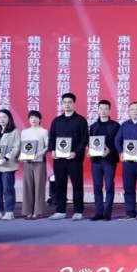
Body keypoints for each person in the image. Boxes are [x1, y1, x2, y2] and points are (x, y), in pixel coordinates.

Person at [48, 93, 89, 221]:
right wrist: (52, 150)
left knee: (77, 185)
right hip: (59, 159)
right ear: (62, 104)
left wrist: (76, 152)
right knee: (60, 184)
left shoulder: (81, 120)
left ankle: (78, 211)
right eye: (64, 102)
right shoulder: (57, 121)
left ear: (74, 104)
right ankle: (60, 210)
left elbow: (84, 139)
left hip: (74, 159)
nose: (67, 104)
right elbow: (51, 137)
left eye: (70, 102)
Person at [88, 100, 120, 221]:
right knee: (97, 187)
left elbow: (119, 143)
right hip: (96, 161)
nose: (103, 111)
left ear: (110, 110)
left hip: (109, 161)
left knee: (109, 186)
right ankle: (99, 212)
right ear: (98, 110)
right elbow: (91, 142)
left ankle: (107, 213)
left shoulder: (115, 126)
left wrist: (110, 150)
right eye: (101, 108)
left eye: (106, 109)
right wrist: (89, 150)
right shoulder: (93, 126)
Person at [19, 110, 48, 220]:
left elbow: (47, 146)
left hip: (39, 161)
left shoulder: (43, 131)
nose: (33, 119)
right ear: (28, 119)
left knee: (39, 186)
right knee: (27, 186)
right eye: (31, 117)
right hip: (27, 162)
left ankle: (37, 211)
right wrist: (22, 156)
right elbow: (22, 146)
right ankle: (28, 211)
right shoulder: (24, 132)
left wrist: (38, 154)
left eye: (36, 117)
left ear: (40, 119)